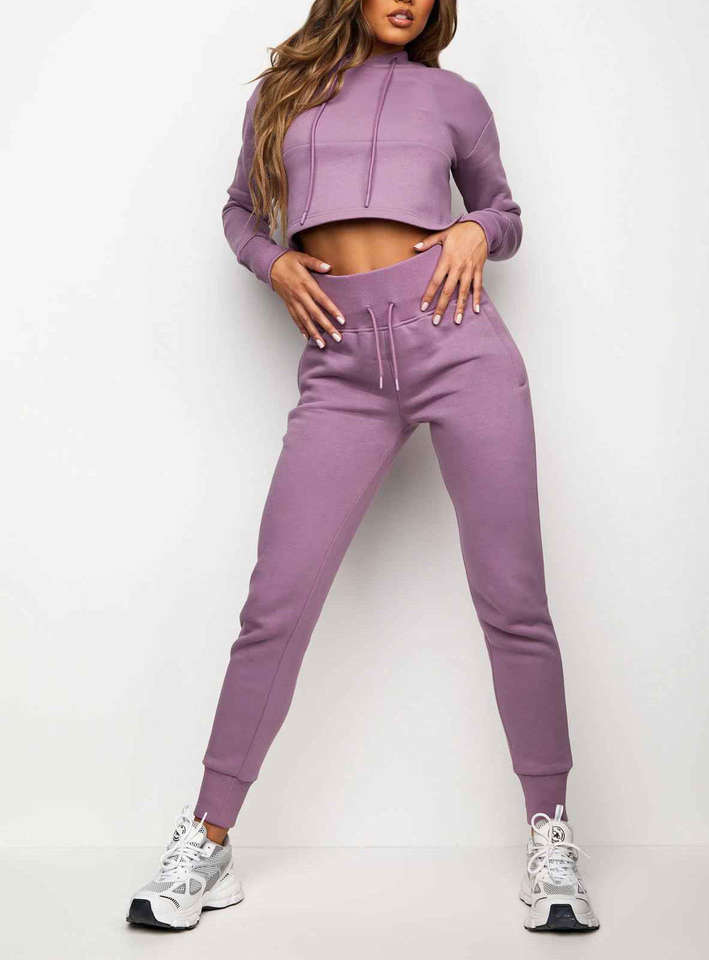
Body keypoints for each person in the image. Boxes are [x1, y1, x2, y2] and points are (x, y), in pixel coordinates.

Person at [127, 0, 599, 934]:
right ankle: (207, 839)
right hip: (341, 360)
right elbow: (237, 211)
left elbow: (503, 212)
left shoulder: (455, 98)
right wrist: (273, 263)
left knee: (512, 597)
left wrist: (478, 230)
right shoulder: (283, 94)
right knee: (276, 603)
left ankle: (550, 836)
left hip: (458, 343)